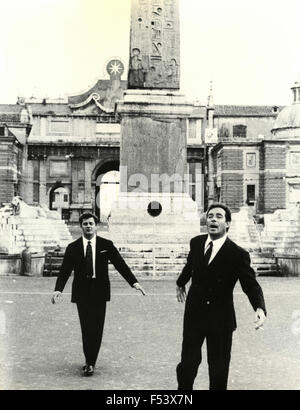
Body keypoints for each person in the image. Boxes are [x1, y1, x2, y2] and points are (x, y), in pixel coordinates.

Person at [176, 203, 266, 390]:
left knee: (218, 370)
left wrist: (259, 307)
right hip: (194, 316)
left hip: (220, 320)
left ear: (228, 224)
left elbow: (250, 284)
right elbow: (190, 265)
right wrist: (180, 282)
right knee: (187, 365)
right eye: (210, 216)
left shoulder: (238, 254)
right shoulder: (196, 242)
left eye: (218, 216)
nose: (213, 220)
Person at [51, 212, 146, 377]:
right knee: (86, 328)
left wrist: (134, 282)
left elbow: (120, 264)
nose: (88, 226)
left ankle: (91, 362)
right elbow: (65, 270)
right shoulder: (73, 248)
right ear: (81, 226)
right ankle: (89, 361)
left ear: (96, 226)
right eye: (85, 224)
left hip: (99, 292)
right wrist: (58, 289)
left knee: (97, 328)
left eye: (91, 224)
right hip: (81, 292)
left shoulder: (106, 244)